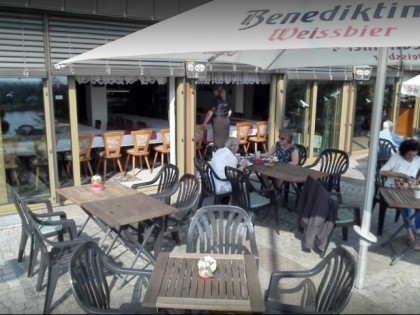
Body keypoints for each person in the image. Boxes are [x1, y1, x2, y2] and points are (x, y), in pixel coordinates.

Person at [380, 139, 420, 250]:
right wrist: (400, 174)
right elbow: (382, 171)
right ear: (403, 152)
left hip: (410, 186)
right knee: (406, 206)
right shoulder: (396, 157)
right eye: (409, 155)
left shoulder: (417, 159)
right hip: (393, 186)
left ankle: (417, 230)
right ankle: (410, 235)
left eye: (414, 154)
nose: (411, 157)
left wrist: (417, 181)